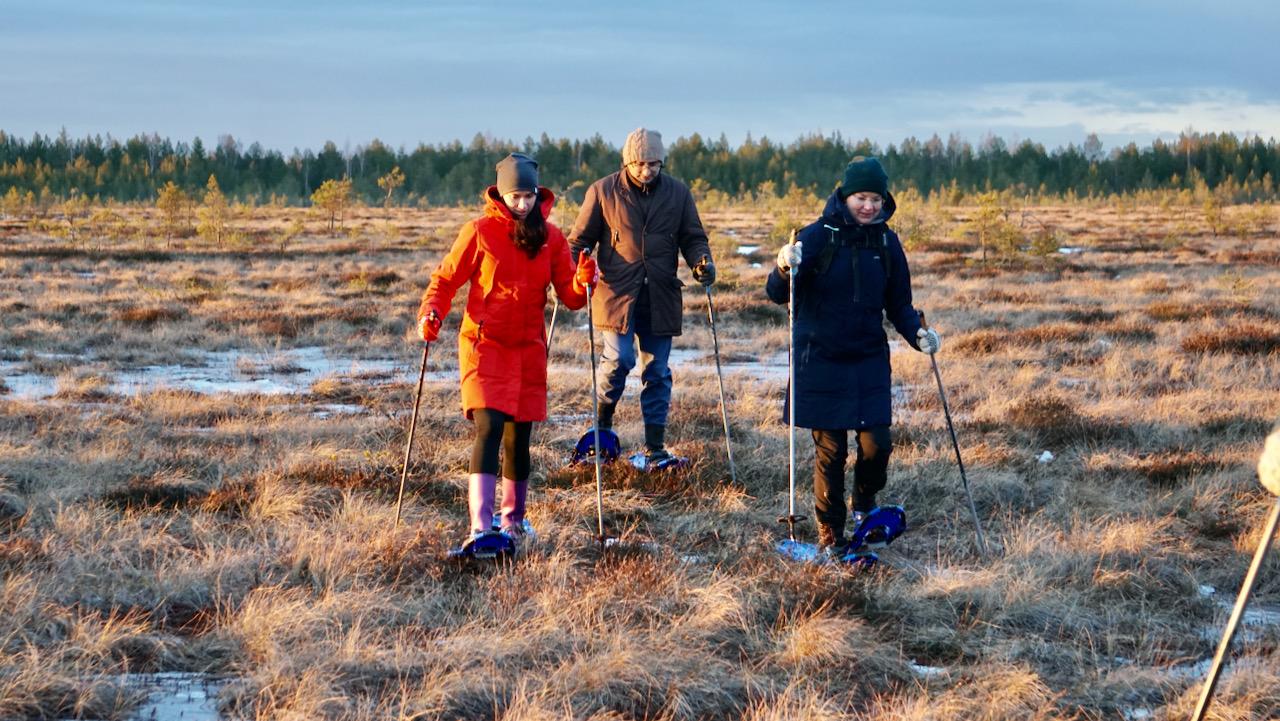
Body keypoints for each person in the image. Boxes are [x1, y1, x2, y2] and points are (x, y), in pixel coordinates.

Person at [418, 152, 598, 547]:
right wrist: (431, 312)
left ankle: (513, 523)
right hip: (485, 346)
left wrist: (585, 281)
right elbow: (446, 279)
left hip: (528, 349)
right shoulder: (479, 231)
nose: (522, 204)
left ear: (537, 193)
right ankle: (481, 528)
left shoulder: (550, 238)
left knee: (520, 438)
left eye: (528, 196)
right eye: (515, 197)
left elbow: (570, 297)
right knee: (489, 427)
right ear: (501, 193)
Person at [765, 156, 941, 553]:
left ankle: (865, 505)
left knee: (877, 444)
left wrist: (919, 335)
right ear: (845, 195)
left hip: (866, 357)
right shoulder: (815, 236)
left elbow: (899, 304)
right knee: (831, 451)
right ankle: (831, 533)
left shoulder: (886, 241)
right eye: (862, 197)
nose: (869, 206)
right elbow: (777, 293)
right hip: (821, 357)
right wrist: (782, 266)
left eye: (876, 199)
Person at [567, 127, 715, 464]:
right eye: (640, 164)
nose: (647, 170)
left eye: (654, 164)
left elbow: (693, 237)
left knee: (658, 371)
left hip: (661, 294)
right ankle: (602, 428)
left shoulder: (678, 193)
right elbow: (579, 241)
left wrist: (702, 262)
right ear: (627, 163)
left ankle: (655, 447)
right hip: (617, 293)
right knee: (619, 359)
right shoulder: (603, 191)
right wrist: (581, 263)